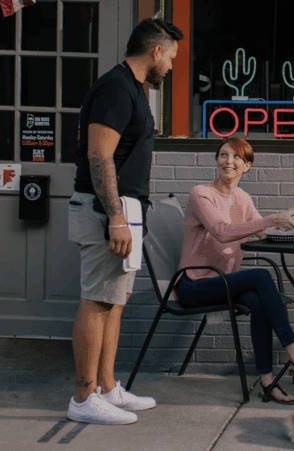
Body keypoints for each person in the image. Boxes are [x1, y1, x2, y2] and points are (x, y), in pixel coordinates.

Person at [67, 18, 183, 425]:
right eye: (170, 57)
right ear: (155, 51)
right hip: (105, 212)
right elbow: (100, 156)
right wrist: (115, 217)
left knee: (114, 302)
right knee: (96, 300)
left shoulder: (136, 89)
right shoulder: (116, 90)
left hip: (124, 213)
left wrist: (126, 216)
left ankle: (106, 387)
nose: (170, 66)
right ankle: (83, 398)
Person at [175, 137, 294, 405]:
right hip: (193, 285)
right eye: (223, 155)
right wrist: (272, 219)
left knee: (259, 300)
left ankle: (267, 382)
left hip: (223, 283)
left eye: (236, 157)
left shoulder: (242, 197)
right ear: (216, 160)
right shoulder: (201, 194)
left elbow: (261, 230)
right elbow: (222, 231)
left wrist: (292, 219)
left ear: (247, 166)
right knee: (261, 276)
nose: (229, 162)